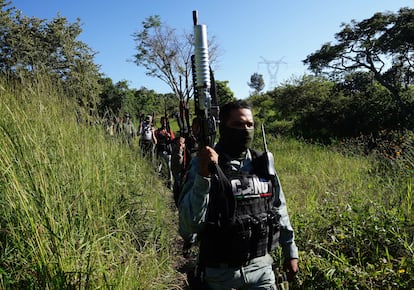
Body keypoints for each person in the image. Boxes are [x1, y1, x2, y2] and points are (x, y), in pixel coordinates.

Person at [177, 100, 299, 290]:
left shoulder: (262, 163)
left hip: (262, 268)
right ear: (223, 127)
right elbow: (188, 225)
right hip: (220, 274)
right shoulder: (203, 164)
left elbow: (279, 208)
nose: (245, 129)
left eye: (249, 124)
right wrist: (204, 175)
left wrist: (290, 251)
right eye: (237, 124)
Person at [155, 116, 175, 189]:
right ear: (160, 122)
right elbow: (156, 140)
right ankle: (157, 182)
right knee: (158, 167)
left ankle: (170, 183)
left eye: (165, 121)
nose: (164, 123)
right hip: (160, 151)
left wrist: (169, 136)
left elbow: (173, 141)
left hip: (167, 151)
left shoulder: (169, 131)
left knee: (169, 168)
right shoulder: (158, 131)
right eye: (162, 121)